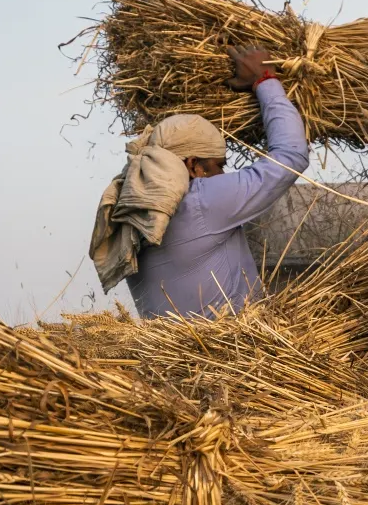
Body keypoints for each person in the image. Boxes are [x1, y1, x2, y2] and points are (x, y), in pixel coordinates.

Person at [89, 46, 311, 318]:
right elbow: (291, 155)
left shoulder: (132, 216)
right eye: (219, 166)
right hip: (236, 355)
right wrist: (265, 79)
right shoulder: (200, 200)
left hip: (171, 357)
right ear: (193, 166)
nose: (222, 176)